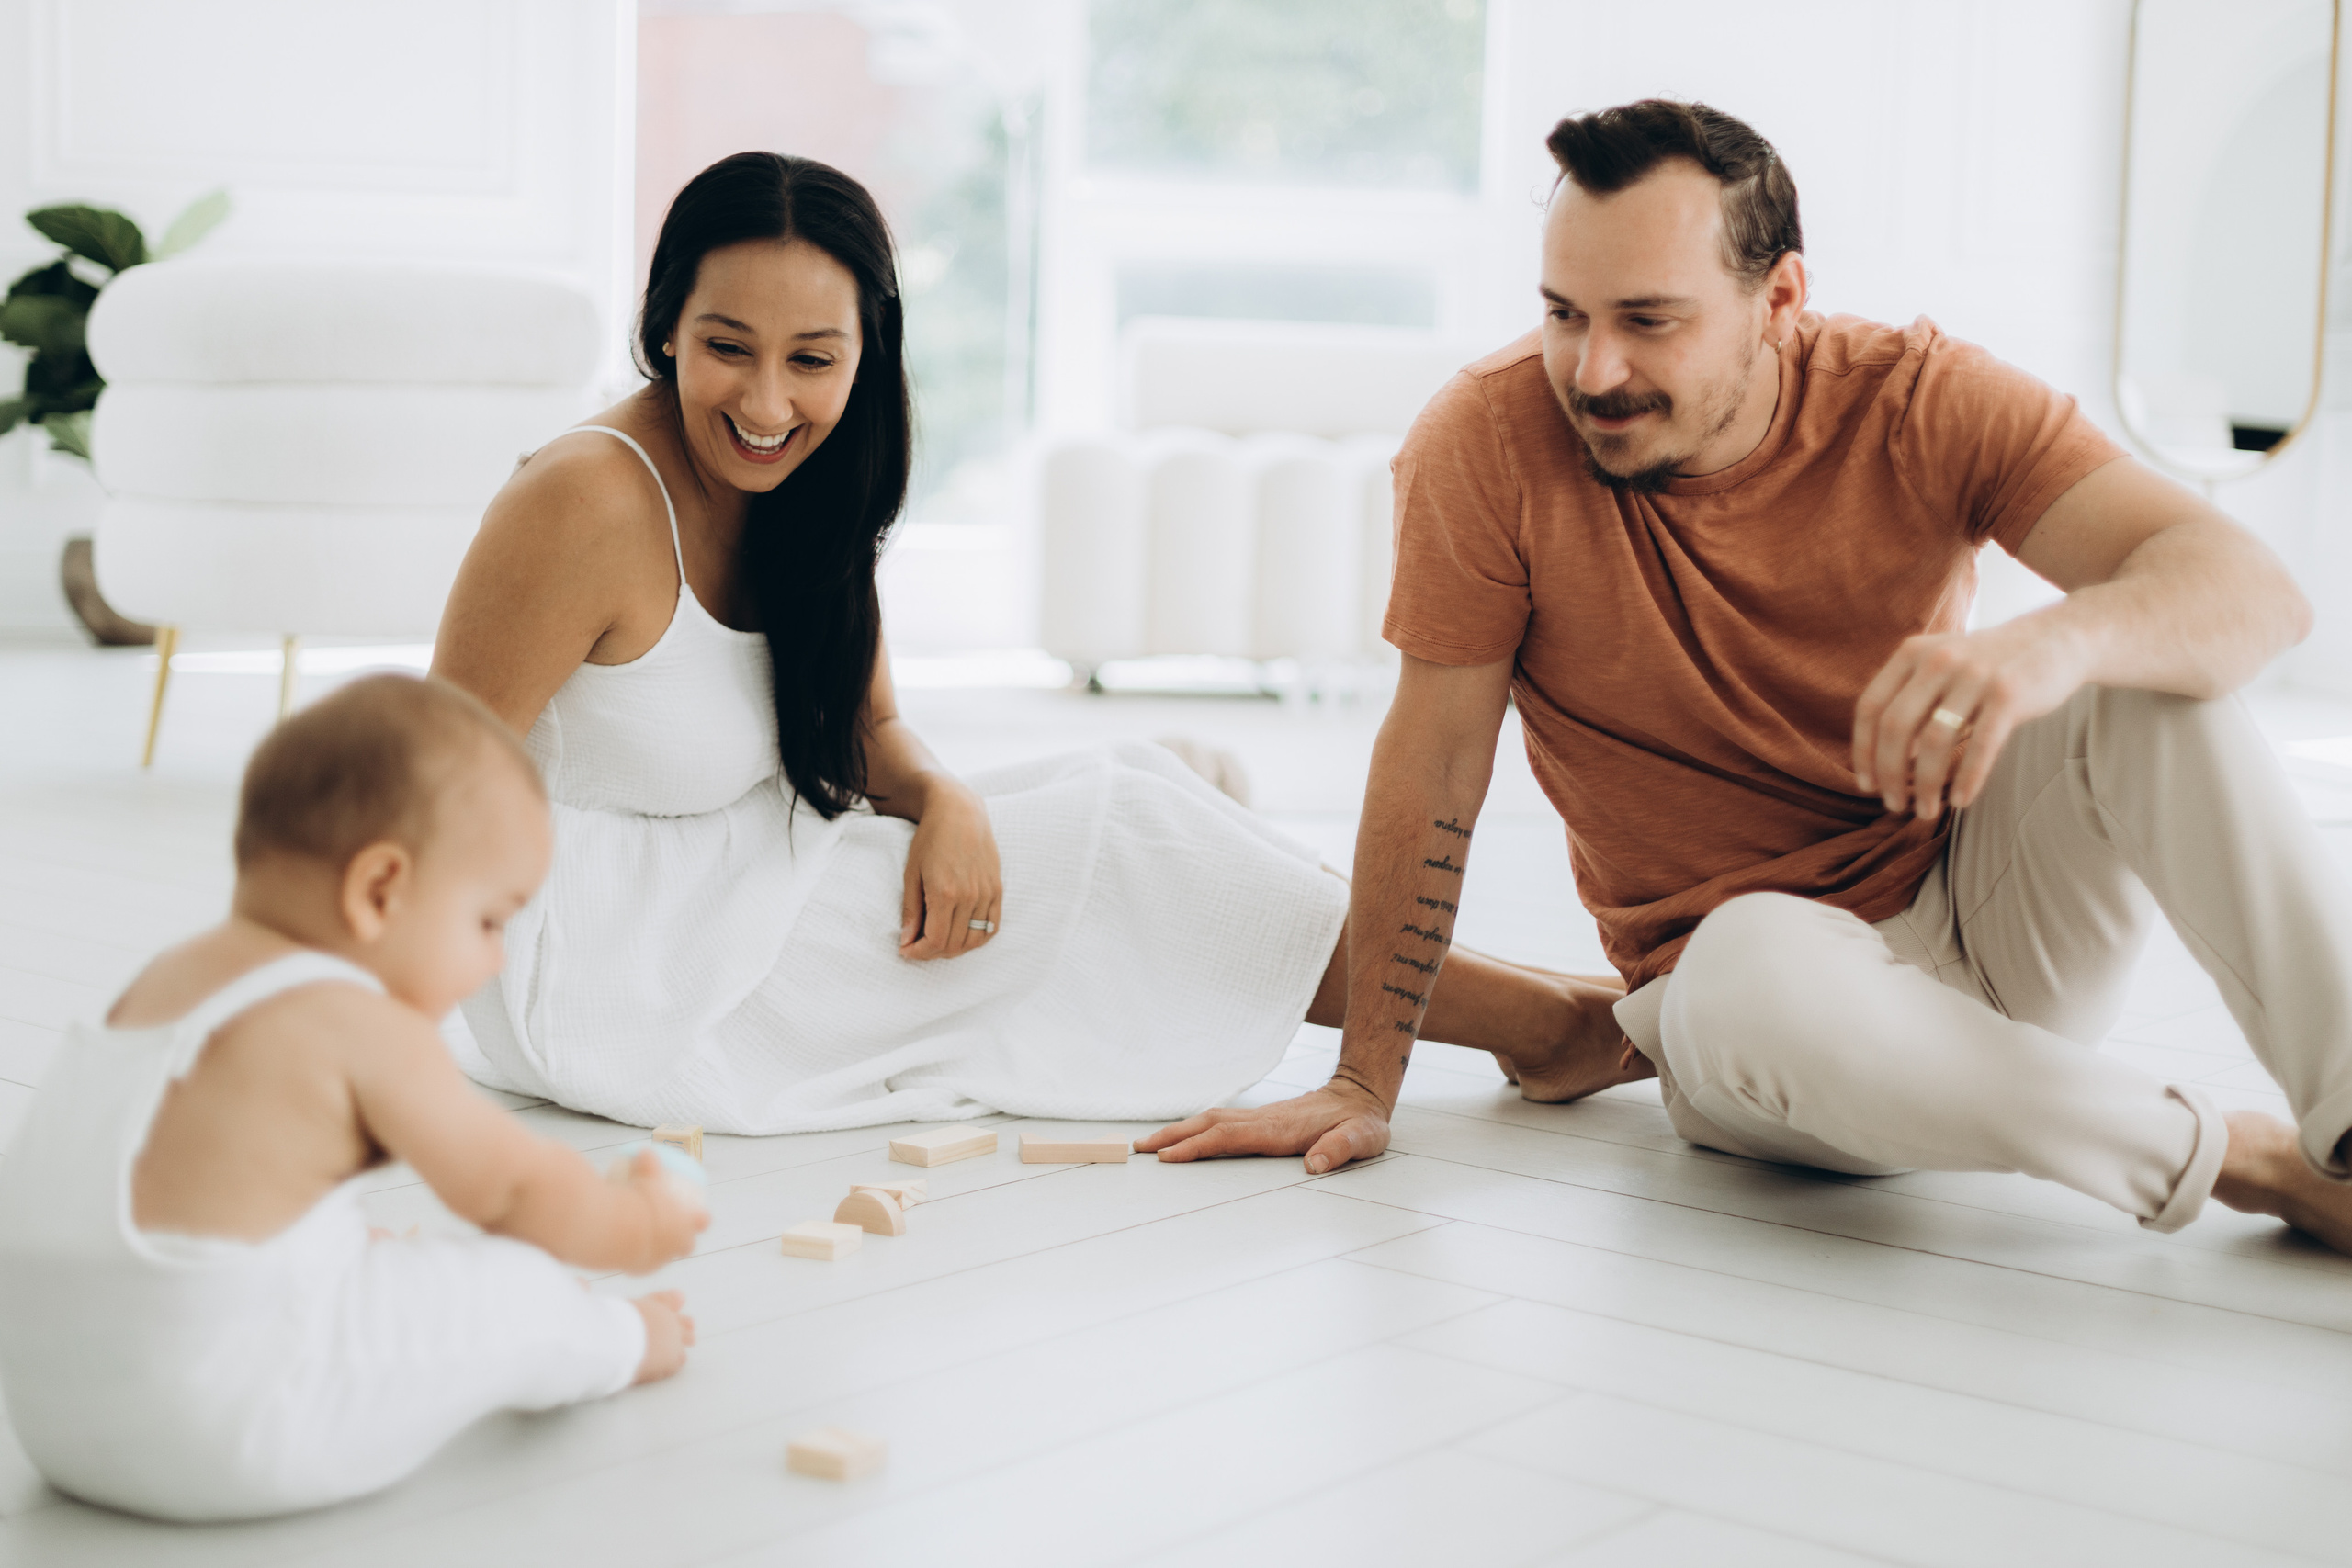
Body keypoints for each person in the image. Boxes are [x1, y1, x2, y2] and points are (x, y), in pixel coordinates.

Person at [1142, 98, 2352, 1255]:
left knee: (2138, 666)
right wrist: (1366, 1074)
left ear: (1780, 297)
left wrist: (2055, 642)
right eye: (1565, 312)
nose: (1595, 369)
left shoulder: (1918, 397)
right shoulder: (1486, 443)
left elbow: (2256, 593)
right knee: (1747, 961)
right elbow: (1435, 759)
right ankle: (2247, 1165)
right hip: (1755, 1019)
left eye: (1650, 319)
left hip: (1994, 922)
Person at [430, 152, 1617, 1137]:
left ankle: (1565, 1005)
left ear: (865, 351)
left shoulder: (810, 477)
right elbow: (427, 772)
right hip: (610, 961)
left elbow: (867, 724)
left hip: (744, 877)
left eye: (813, 358)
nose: (768, 402)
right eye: (727, 346)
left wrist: (943, 797)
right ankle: (1554, 1022)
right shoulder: (584, 499)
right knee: (1128, 847)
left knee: (1133, 794)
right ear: (665, 329)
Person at [0, 675, 706, 1522]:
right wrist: (637, 1223)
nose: (496, 961)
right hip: (230, 1430)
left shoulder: (167, 980)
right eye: (489, 920)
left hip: (59, 1420)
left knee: (359, 1253)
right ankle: (625, 1344)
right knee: (510, 1284)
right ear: (380, 890)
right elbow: (518, 1189)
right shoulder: (357, 1020)